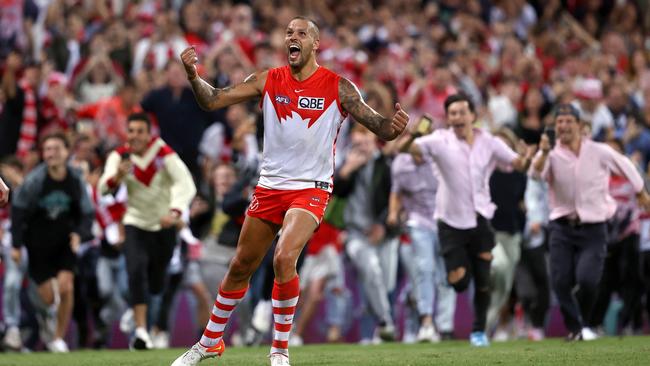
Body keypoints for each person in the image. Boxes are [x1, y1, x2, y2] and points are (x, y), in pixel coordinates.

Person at [172, 16, 408, 366]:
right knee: (241, 266)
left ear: (316, 44)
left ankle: (279, 351)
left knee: (284, 257)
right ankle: (210, 342)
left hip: (311, 188)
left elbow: (381, 128)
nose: (292, 38)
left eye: (301, 33)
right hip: (270, 187)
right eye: (288, 33)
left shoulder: (339, 86)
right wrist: (193, 76)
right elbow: (213, 101)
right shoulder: (268, 79)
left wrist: (395, 127)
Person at [400, 93, 534, 347]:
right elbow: (403, 149)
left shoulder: (490, 142)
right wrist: (415, 135)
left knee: (484, 283)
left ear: (473, 116)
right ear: (448, 118)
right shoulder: (439, 140)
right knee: (459, 282)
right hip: (450, 222)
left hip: (481, 218)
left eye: (462, 112)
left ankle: (478, 332)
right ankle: (470, 266)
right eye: (452, 113)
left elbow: (518, 164)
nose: (457, 118)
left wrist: (526, 158)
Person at [530, 104, 650, 341]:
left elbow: (626, 164)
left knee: (588, 280)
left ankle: (580, 323)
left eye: (568, 121)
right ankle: (576, 328)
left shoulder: (599, 150)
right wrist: (542, 153)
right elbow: (535, 175)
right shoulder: (551, 154)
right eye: (559, 122)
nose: (563, 126)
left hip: (594, 225)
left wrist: (641, 191)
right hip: (562, 225)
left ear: (581, 126)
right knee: (560, 281)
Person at [98, 112, 196, 350]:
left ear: (149, 133)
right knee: (135, 270)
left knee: (156, 284)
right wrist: (118, 177)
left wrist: (174, 212)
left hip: (163, 226)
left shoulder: (164, 153)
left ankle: (136, 313)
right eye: (131, 131)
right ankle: (141, 332)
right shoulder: (119, 156)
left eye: (140, 131)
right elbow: (103, 188)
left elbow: (186, 184)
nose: (135, 136)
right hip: (135, 224)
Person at [10, 132, 95, 352]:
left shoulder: (75, 179)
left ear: (66, 152)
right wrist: (17, 245)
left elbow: (87, 213)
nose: (51, 154)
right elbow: (18, 211)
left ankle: (58, 338)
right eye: (47, 150)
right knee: (48, 298)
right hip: (37, 244)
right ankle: (48, 319)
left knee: (67, 287)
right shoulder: (35, 180)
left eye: (56, 149)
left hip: (66, 241)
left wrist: (79, 234)